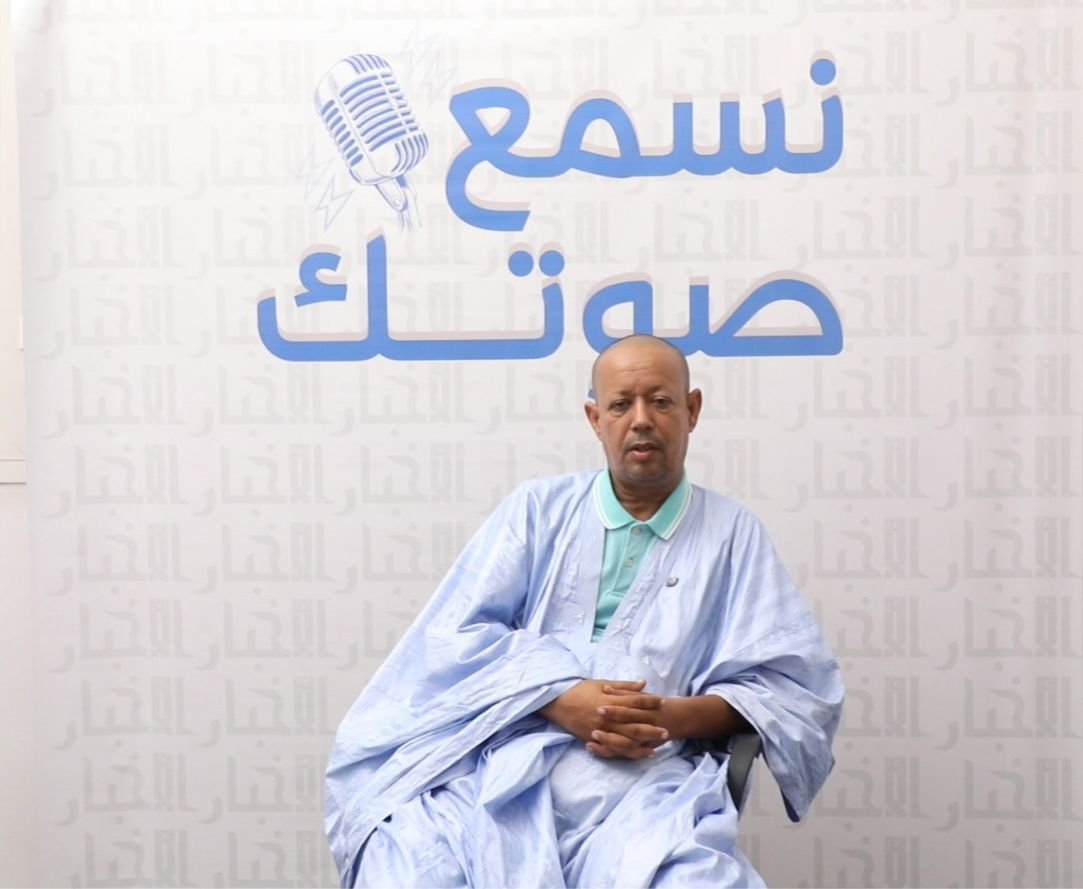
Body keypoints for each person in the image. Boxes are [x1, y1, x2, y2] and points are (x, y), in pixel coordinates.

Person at [325, 335, 844, 888]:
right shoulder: (535, 509)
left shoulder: (734, 533)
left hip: (649, 785)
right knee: (408, 864)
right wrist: (559, 698)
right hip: (494, 765)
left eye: (660, 401)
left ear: (691, 410)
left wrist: (665, 718)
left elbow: (787, 690)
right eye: (621, 405)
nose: (641, 420)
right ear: (596, 419)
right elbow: (451, 637)